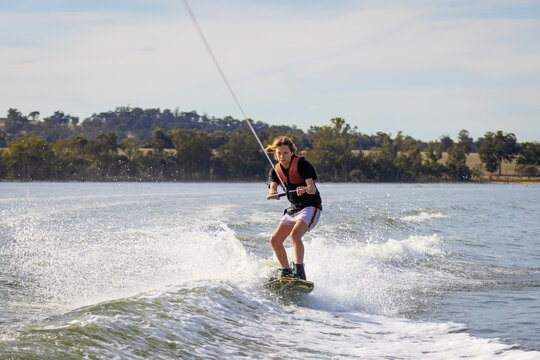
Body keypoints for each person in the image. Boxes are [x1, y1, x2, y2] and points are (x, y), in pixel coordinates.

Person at [265, 136, 322, 280]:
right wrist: (273, 193)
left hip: (310, 207)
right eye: (279, 154)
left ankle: (300, 272)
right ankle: (286, 271)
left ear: (291, 152)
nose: (282, 156)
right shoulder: (275, 170)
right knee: (275, 240)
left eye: (285, 153)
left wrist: (305, 188)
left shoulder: (303, 165)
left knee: (295, 235)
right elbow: (273, 187)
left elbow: (312, 189)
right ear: (275, 154)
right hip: (294, 209)